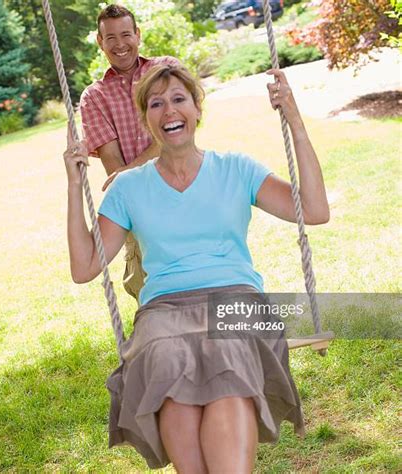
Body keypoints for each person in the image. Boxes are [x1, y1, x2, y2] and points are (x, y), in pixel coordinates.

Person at [64, 64, 329, 472]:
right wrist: (72, 182)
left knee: (228, 352)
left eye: (178, 99)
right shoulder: (128, 187)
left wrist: (293, 118)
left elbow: (313, 210)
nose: (169, 111)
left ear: (196, 110)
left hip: (234, 298)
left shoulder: (236, 169)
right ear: (146, 118)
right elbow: (85, 268)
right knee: (165, 358)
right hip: (164, 310)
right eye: (156, 103)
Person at [79, 4, 180, 302]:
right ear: (100, 41)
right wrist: (136, 168)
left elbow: (177, 132)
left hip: (185, 184)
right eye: (110, 37)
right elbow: (114, 166)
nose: (120, 44)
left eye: (126, 34)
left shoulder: (166, 69)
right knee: (150, 288)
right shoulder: (94, 97)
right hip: (138, 204)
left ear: (138, 34)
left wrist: (130, 168)